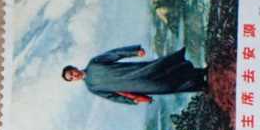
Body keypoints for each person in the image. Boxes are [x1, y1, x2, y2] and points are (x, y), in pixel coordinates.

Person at [62, 44, 207, 106]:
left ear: (74, 68)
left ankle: (201, 72)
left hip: (137, 70)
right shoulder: (91, 87)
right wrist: (134, 100)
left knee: (163, 68)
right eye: (71, 78)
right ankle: (200, 85)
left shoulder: (93, 63)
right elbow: (114, 97)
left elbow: (114, 54)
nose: (74, 76)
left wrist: (134, 52)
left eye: (72, 73)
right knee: (166, 86)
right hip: (137, 86)